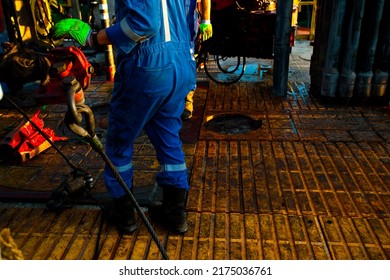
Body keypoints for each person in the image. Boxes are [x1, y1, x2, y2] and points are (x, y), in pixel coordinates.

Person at [52, 0, 196, 234]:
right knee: (168, 138)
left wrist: (93, 38)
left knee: (119, 142)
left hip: (147, 67)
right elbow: (192, 20)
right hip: (181, 63)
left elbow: (144, 24)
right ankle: (175, 213)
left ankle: (125, 213)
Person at [182, 0, 213, 120]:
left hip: (187, 23)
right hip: (169, 24)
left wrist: (206, 20)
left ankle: (187, 103)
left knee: (187, 62)